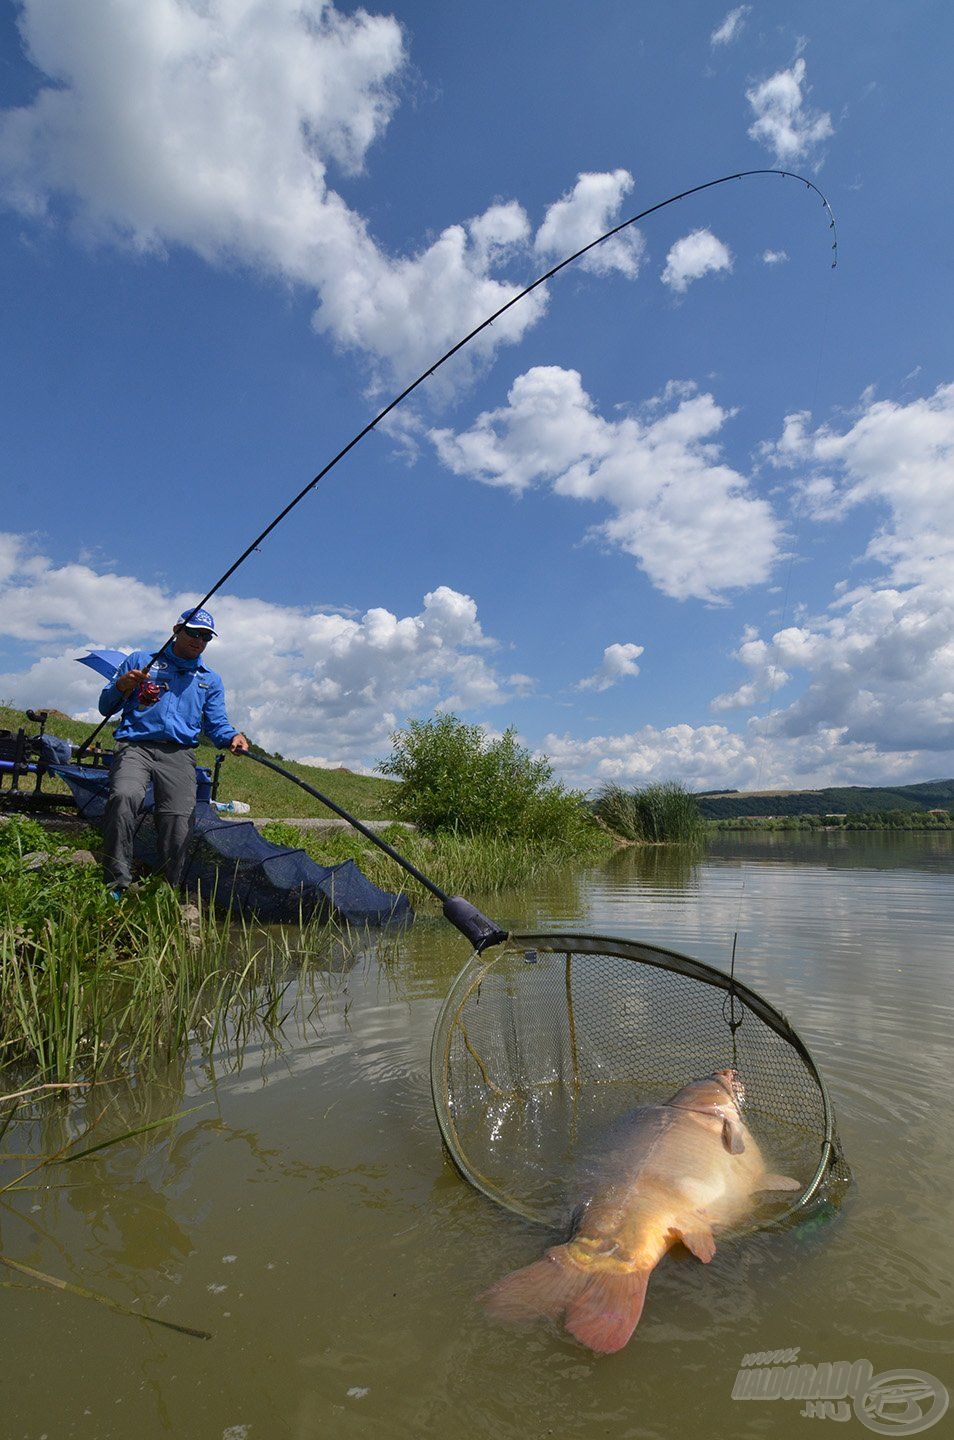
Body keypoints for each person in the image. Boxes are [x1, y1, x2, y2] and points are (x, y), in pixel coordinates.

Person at [98, 608, 249, 896]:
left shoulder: (210, 680)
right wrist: (121, 685)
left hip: (179, 754)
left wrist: (233, 736)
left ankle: (166, 890)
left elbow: (217, 724)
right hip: (136, 745)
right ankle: (117, 883)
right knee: (124, 795)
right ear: (176, 630)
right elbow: (106, 706)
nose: (199, 640)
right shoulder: (142, 661)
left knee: (179, 819)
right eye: (193, 632)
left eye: (206, 637)